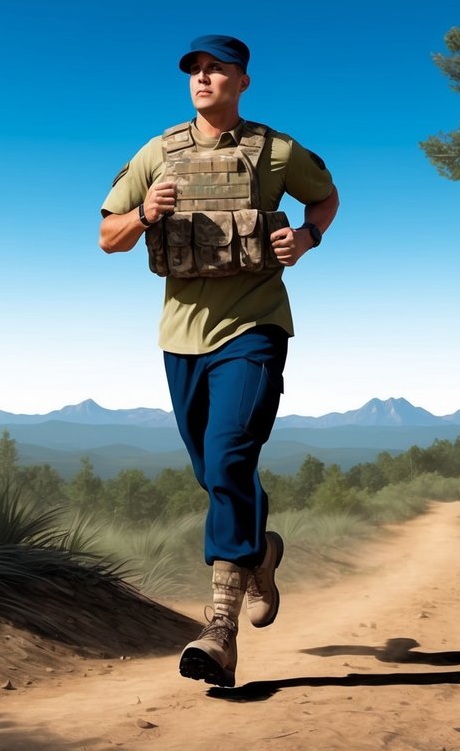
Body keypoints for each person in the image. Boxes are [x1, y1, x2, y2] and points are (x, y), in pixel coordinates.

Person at [98, 34, 339, 687]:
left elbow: (326, 197)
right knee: (215, 473)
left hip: (255, 328)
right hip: (181, 338)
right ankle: (260, 549)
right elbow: (106, 237)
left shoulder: (277, 150)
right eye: (195, 71)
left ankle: (219, 627)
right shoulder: (157, 152)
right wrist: (144, 212)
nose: (203, 79)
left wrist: (308, 237)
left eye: (217, 69)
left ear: (242, 82)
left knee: (231, 456)